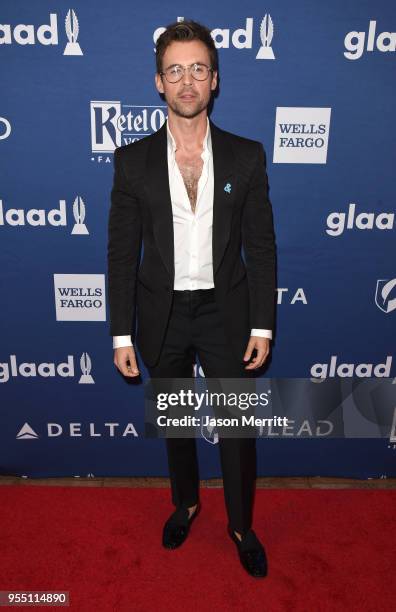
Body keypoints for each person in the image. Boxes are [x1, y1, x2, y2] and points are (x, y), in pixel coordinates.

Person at [107, 19, 276, 578]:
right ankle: (186, 503)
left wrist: (263, 325)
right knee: (177, 425)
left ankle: (241, 526)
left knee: (236, 430)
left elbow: (261, 245)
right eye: (175, 70)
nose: (187, 82)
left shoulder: (247, 156)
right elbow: (121, 253)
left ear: (215, 80)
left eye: (197, 70)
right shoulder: (131, 161)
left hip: (226, 313)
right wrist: (122, 333)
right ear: (158, 82)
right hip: (164, 315)